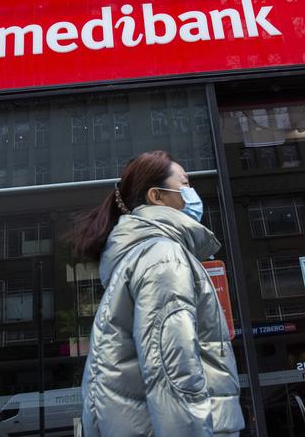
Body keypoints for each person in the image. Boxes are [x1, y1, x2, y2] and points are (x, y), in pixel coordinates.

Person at [72, 150, 245, 437]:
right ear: (157, 196)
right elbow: (174, 376)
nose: (192, 193)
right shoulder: (163, 256)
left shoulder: (143, 254)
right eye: (185, 184)